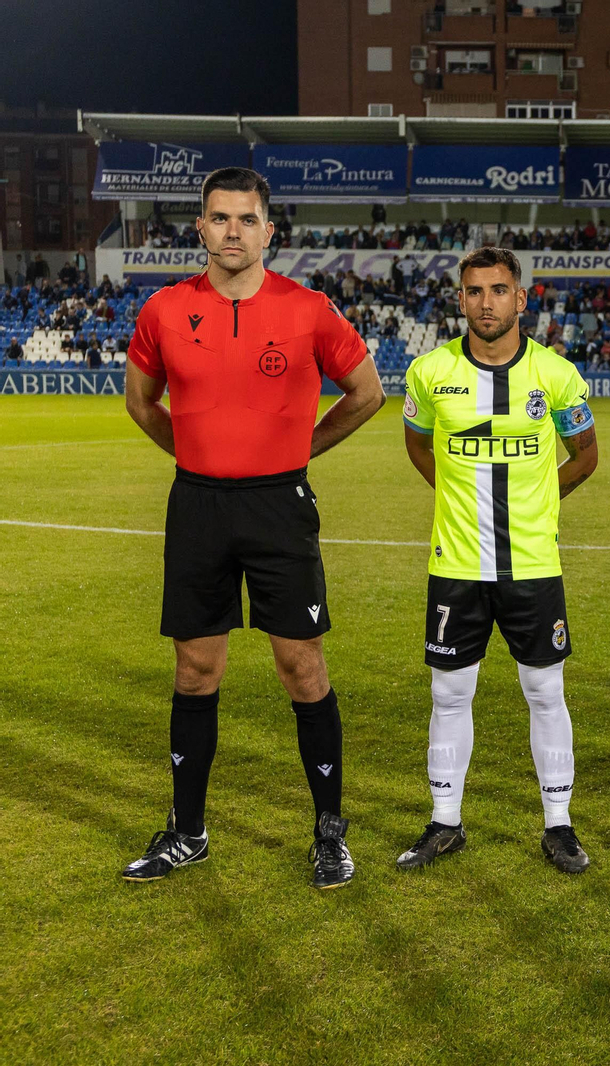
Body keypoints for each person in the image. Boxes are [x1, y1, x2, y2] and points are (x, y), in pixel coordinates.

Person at [120, 167, 385, 889]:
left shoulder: (308, 309)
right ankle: (188, 831)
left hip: (279, 507)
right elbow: (141, 402)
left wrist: (302, 451)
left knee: (302, 668)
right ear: (199, 228)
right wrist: (196, 457)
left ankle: (330, 832)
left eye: (246, 219)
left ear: (270, 231)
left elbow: (367, 393)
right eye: (218, 218)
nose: (232, 231)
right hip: (198, 506)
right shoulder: (165, 310)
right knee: (195, 669)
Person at [396, 247, 599, 875]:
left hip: (533, 566)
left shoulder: (557, 375)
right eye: (475, 291)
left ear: (521, 298)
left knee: (545, 692)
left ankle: (559, 827)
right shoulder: (429, 373)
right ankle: (445, 822)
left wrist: (538, 502)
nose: (487, 302)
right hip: (456, 565)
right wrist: (462, 499)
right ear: (460, 299)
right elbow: (418, 445)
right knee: (449, 694)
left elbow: (585, 454)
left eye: (499, 290)